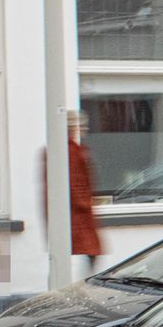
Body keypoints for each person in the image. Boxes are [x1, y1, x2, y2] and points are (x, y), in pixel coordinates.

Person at [62, 110, 103, 272]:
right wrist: (85, 203)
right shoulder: (72, 151)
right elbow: (76, 181)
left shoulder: (74, 149)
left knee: (86, 251)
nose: (84, 129)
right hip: (78, 213)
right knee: (89, 250)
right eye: (81, 126)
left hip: (77, 212)